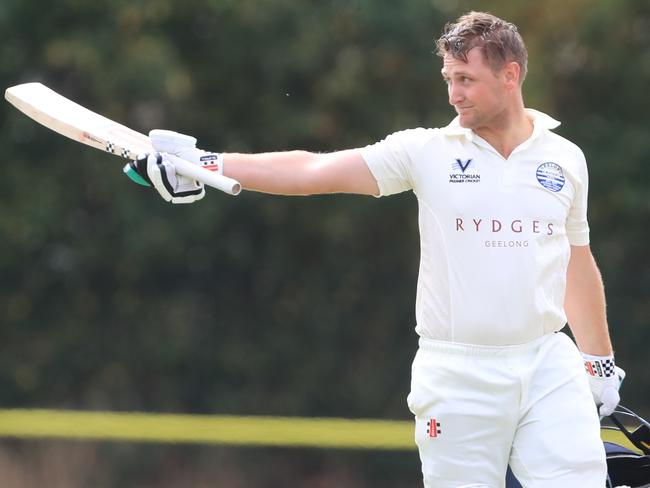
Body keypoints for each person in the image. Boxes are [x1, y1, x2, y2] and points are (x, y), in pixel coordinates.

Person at [125, 11, 624, 487]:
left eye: (466, 80)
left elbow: (575, 261)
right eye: (448, 79)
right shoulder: (426, 152)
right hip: (458, 373)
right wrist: (208, 163)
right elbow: (311, 170)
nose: (453, 94)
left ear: (510, 75)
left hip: (546, 363)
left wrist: (598, 362)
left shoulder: (564, 158)